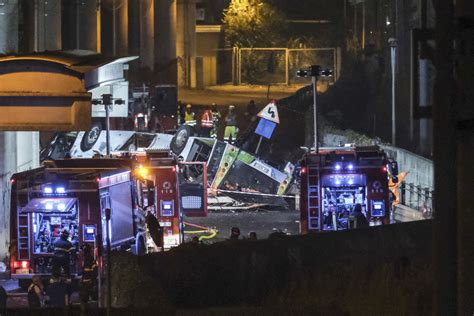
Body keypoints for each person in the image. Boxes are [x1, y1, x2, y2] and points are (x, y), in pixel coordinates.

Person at [79, 244, 98, 314]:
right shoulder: (88, 258)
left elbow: (94, 271)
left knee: (84, 299)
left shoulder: (90, 259)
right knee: (84, 299)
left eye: (83, 251)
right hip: (86, 282)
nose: (82, 253)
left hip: (87, 283)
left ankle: (84, 313)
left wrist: (90, 280)